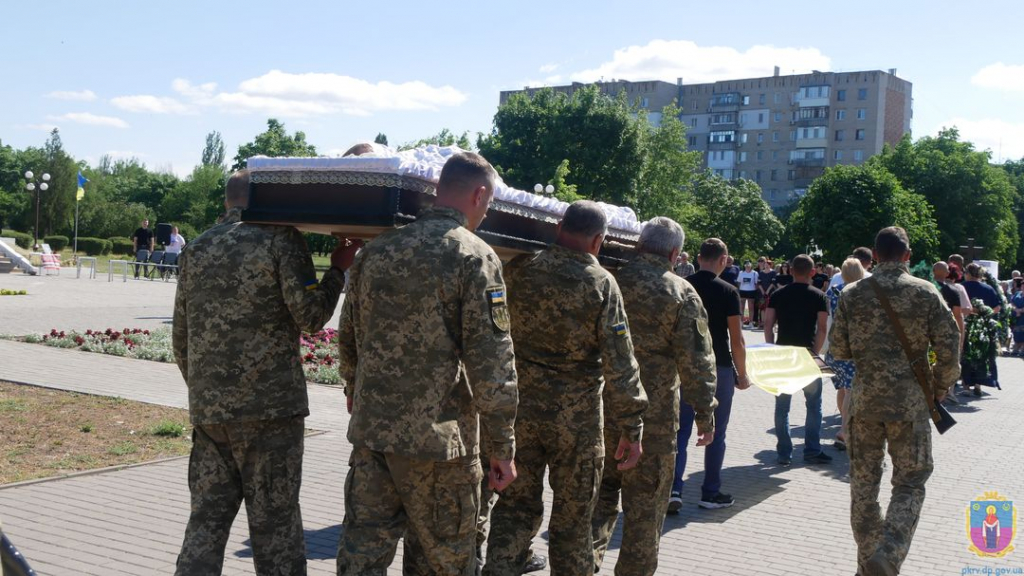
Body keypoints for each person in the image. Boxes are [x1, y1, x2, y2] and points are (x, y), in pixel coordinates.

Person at [336, 152, 519, 574]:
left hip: (374, 436)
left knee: (361, 559)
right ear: (479, 195)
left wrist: (353, 388)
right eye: (489, 203)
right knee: (444, 564)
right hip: (439, 447)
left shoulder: (377, 251)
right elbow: (492, 360)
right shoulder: (474, 256)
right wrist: (503, 445)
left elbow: (349, 335)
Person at [172, 170, 356, 575]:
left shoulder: (197, 247)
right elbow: (310, 316)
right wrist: (338, 269)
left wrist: (208, 391)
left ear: (228, 201)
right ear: (267, 198)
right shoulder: (281, 239)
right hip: (271, 414)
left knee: (205, 523)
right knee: (275, 528)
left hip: (210, 412)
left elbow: (181, 338)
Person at [485, 200, 648, 576]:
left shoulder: (520, 269)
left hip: (519, 414)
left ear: (559, 227)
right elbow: (621, 363)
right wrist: (632, 427)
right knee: (574, 522)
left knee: (513, 510)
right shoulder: (601, 283)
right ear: (598, 240)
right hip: (576, 424)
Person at [829, 226, 960, 576]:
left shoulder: (852, 293)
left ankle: (867, 564)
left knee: (863, 489)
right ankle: (888, 554)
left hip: (864, 404)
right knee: (910, 482)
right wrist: (941, 386)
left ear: (874, 254)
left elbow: (838, 349)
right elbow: (949, 344)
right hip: (911, 406)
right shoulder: (925, 291)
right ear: (907, 255)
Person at [591, 218, 716, 575]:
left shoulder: (608, 280)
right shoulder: (681, 293)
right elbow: (697, 361)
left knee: (594, 505)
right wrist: (705, 414)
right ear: (675, 254)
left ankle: (583, 565)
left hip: (599, 411)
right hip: (653, 422)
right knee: (645, 515)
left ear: (639, 244)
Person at [671, 237, 750, 512]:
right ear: (723, 260)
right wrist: (743, 374)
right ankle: (710, 492)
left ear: (698, 258)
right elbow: (737, 340)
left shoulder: (682, 286)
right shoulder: (729, 291)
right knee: (716, 430)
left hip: (683, 366)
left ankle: (673, 489)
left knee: (680, 429)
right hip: (719, 367)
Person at [763, 254, 831, 466]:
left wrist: (771, 349)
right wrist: (815, 353)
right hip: (807, 355)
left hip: (784, 355)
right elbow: (822, 329)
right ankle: (812, 450)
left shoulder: (778, 294)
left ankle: (784, 453)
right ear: (813, 272)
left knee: (782, 407)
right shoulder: (819, 296)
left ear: (791, 271)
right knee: (814, 405)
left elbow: (768, 324)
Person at [823, 258, 867, 451]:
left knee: (843, 388)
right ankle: (844, 430)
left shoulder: (833, 291)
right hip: (853, 348)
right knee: (850, 390)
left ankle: (845, 424)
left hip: (835, 346)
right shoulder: (863, 293)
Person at [738, 260, 759, 326]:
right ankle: (741, 322)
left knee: (751, 307)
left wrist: (755, 291)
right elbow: (739, 282)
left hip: (751, 291)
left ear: (751, 265)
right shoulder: (741, 273)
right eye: (746, 264)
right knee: (741, 307)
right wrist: (739, 290)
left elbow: (756, 283)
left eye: (749, 264)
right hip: (742, 290)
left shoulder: (755, 273)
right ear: (744, 266)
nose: (747, 266)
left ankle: (751, 322)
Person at [1011, 277, 1024, 357]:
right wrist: (1016, 309)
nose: (1023, 286)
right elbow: (1012, 303)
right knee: (1016, 333)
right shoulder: (1017, 293)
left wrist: (1020, 311)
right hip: (1016, 317)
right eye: (1022, 285)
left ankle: (1022, 348)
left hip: (1023, 317)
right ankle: (1016, 347)